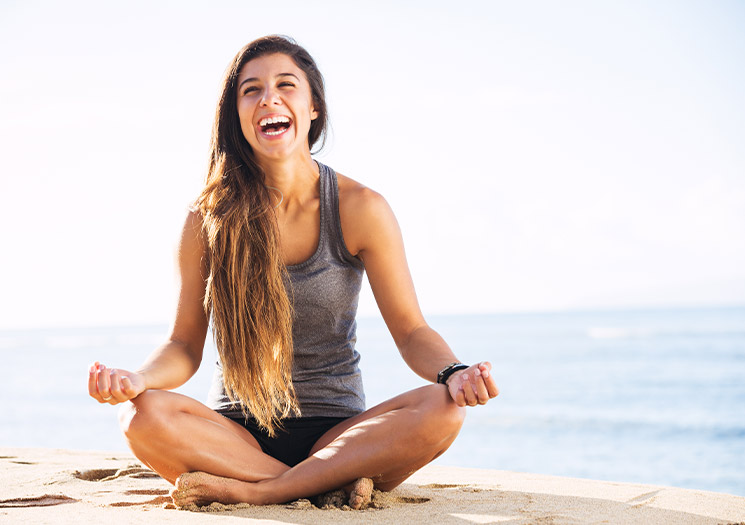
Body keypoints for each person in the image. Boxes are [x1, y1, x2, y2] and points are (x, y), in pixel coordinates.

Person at [87, 35, 498, 509]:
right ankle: (318, 484)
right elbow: (183, 345)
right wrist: (138, 380)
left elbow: (411, 331)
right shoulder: (207, 218)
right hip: (234, 439)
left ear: (314, 107)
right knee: (142, 416)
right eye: (251, 90)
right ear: (236, 114)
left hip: (338, 433)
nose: (269, 98)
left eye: (286, 85)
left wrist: (454, 372)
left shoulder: (360, 208)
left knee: (443, 409)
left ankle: (261, 491)